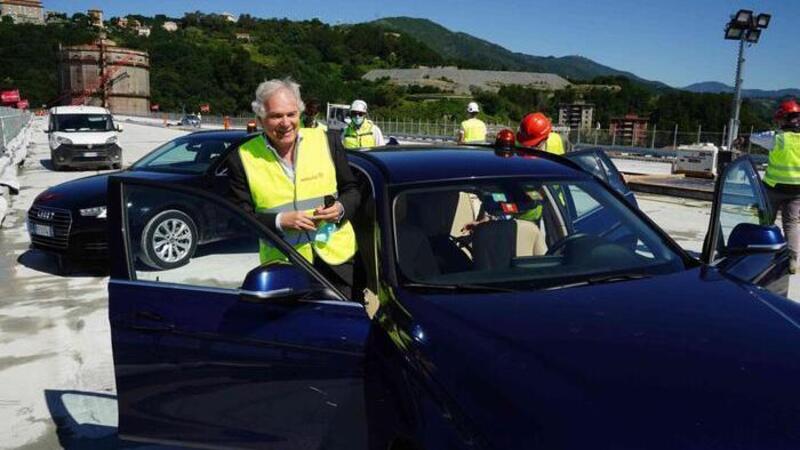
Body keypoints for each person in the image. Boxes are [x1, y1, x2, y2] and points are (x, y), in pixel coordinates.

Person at [227, 78, 362, 296]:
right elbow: (239, 219)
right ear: (261, 120)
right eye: (276, 116)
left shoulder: (327, 141)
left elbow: (352, 190)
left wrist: (340, 209)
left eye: (291, 114)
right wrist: (281, 221)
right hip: (283, 264)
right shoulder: (242, 158)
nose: (285, 123)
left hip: (338, 262)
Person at [752, 98, 800, 273]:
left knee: (766, 221)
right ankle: (792, 260)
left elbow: (754, 137)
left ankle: (762, 253)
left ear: (784, 119)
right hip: (797, 190)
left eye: (780, 119)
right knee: (791, 224)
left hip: (773, 188)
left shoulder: (776, 138)